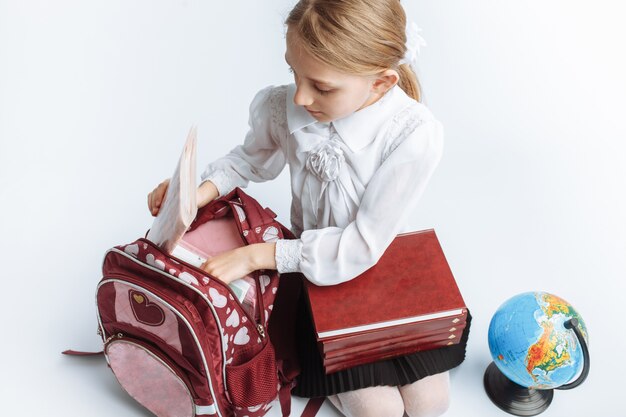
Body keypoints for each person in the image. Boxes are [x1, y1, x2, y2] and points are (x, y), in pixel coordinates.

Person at [147, 1, 470, 416]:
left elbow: (362, 244)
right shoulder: (284, 106)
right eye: (293, 73)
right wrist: (197, 192)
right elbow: (249, 160)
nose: (300, 95)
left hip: (386, 267)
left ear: (381, 83)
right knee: (380, 412)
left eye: (322, 86)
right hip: (316, 273)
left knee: (431, 404)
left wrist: (257, 256)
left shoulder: (413, 134)